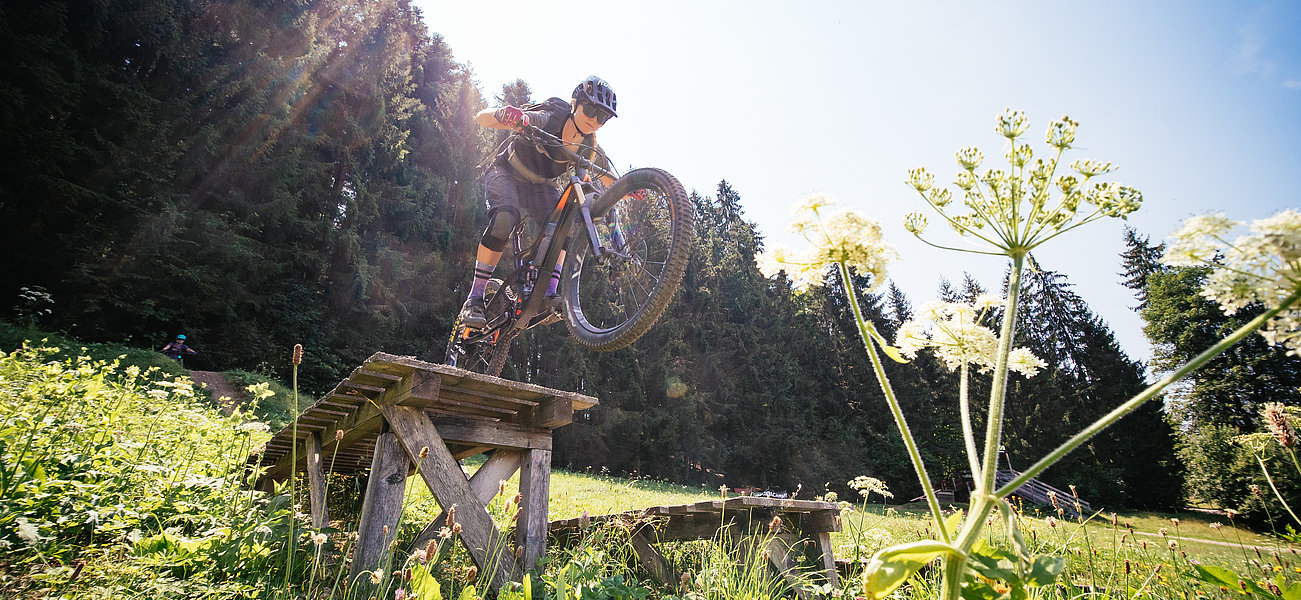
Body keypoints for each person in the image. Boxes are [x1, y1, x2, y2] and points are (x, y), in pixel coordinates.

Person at [460, 75, 620, 328]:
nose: (594, 120)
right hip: (507, 172)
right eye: (590, 110)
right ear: (575, 103)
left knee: (564, 226)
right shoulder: (552, 115)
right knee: (503, 221)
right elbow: (484, 117)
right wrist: (509, 116)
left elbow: (606, 177)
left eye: (602, 117)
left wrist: (631, 188)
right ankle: (475, 298)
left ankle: (549, 293)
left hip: (541, 186)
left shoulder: (588, 145)